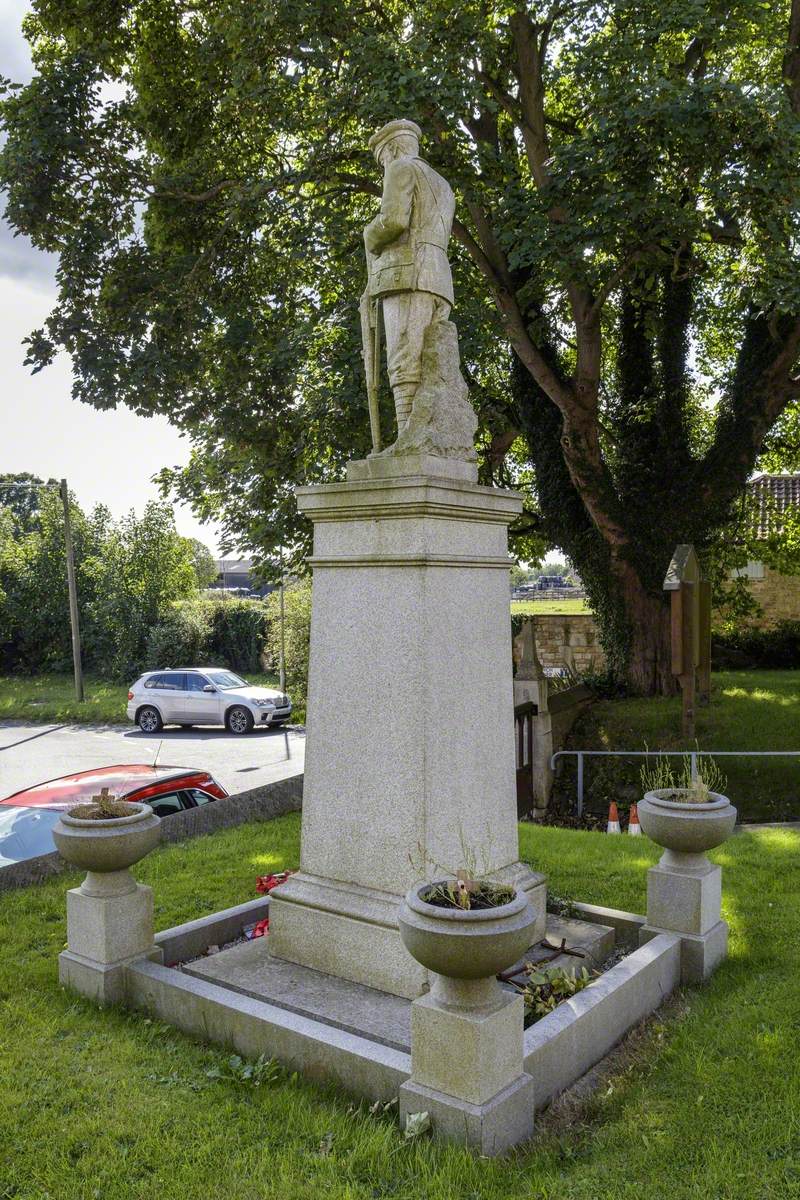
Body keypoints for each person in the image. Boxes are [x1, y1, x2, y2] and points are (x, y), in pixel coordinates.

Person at [364, 119, 456, 431]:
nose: (384, 167)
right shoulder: (443, 184)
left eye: (382, 160)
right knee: (429, 361)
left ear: (391, 149)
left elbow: (393, 221)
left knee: (404, 359)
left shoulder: (401, 168)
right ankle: (425, 433)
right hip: (438, 278)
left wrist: (369, 235)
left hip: (407, 274)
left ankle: (408, 434)